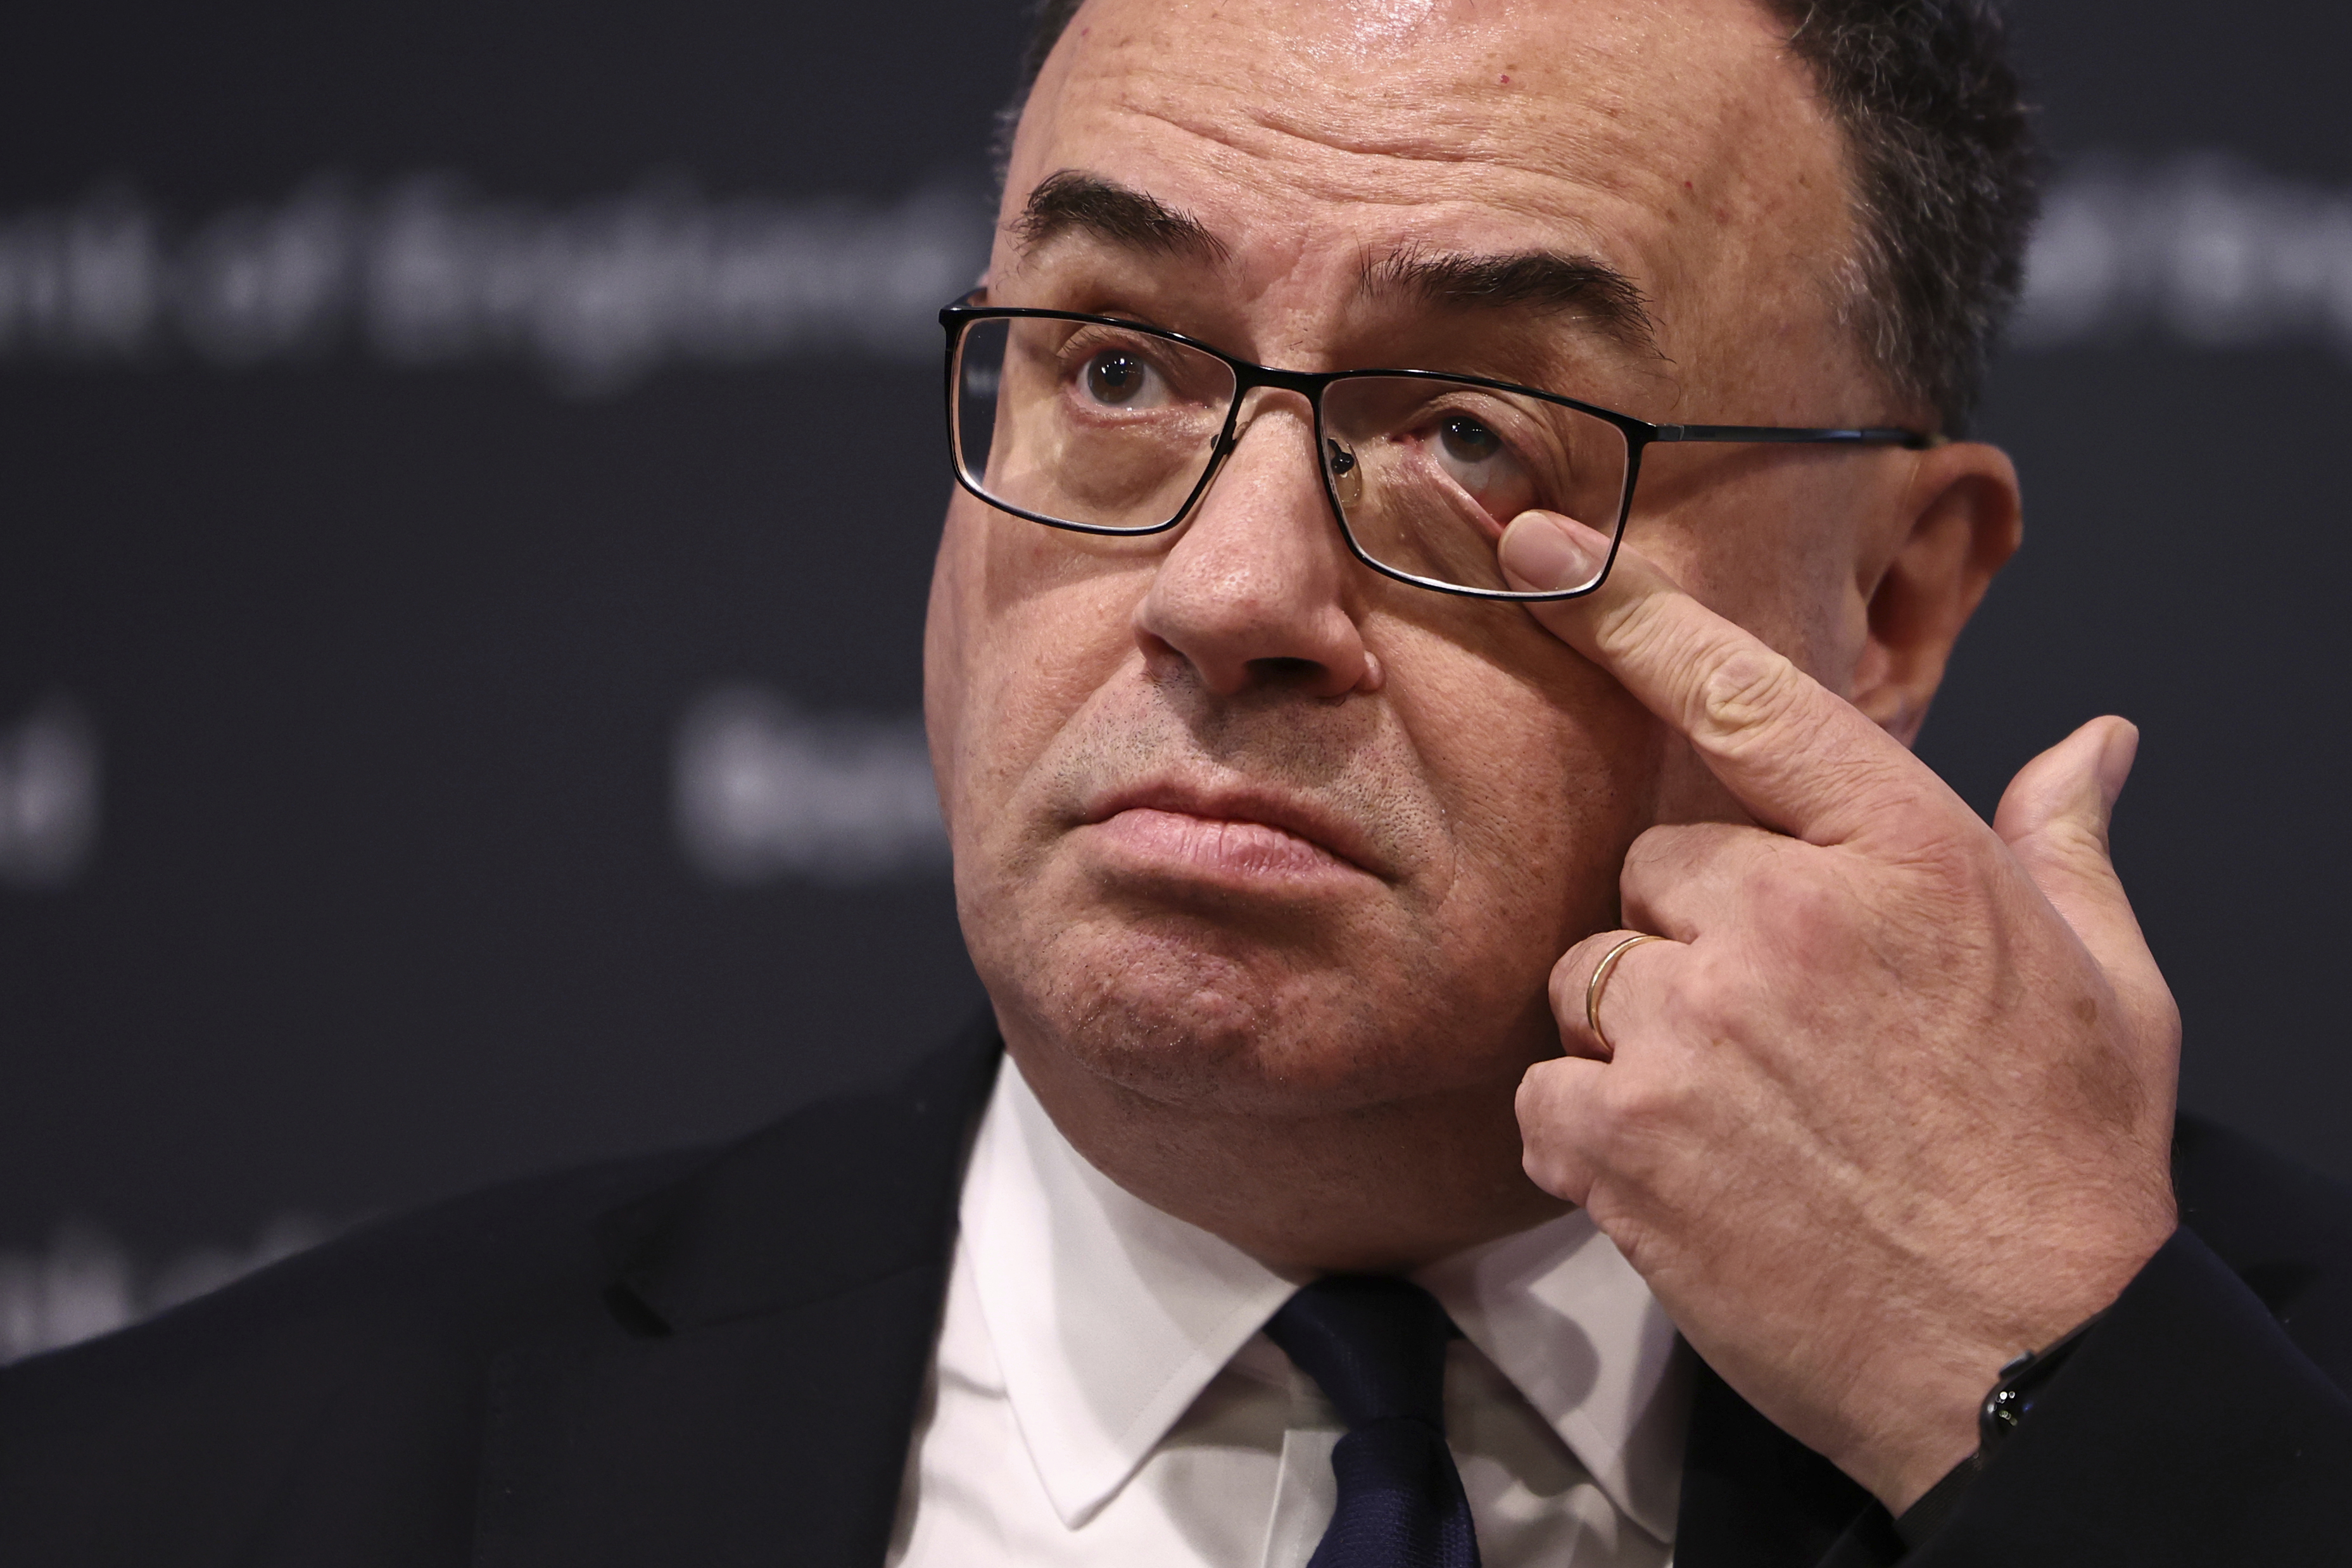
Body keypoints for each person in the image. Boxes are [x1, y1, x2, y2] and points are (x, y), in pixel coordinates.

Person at [4, 0, 2348, 1564]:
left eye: (1463, 433)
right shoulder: (190, 1495)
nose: (1228, 588)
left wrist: (2059, 1415)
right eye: (1114, 363)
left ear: (1897, 600)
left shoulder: (2229, 1437)